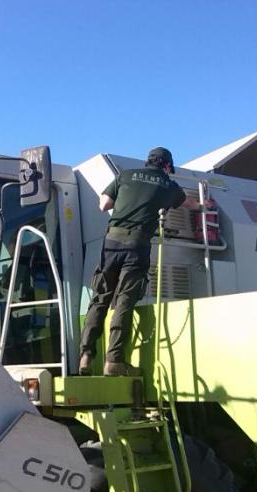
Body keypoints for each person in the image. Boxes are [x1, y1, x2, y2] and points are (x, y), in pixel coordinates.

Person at [79, 147, 204, 376]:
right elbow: (189, 204)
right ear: (166, 166)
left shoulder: (125, 175)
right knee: (124, 301)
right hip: (137, 246)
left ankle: (86, 355)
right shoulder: (168, 185)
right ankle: (114, 361)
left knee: (100, 298)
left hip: (111, 242)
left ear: (148, 162)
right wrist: (203, 207)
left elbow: (103, 204)